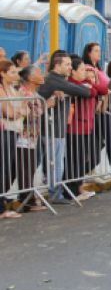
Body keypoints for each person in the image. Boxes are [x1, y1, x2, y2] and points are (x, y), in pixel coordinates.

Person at [37, 53, 92, 204]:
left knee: (55, 163)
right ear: (57, 65)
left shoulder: (58, 80)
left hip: (57, 128)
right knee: (55, 164)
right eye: (67, 65)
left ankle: (55, 194)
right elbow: (85, 91)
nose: (70, 67)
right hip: (50, 128)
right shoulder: (54, 80)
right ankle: (55, 195)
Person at [64, 56, 109, 201]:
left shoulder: (87, 82)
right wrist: (90, 87)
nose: (85, 72)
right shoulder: (71, 83)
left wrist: (91, 81)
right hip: (75, 128)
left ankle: (77, 186)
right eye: (82, 69)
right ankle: (72, 190)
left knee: (89, 158)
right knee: (74, 160)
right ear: (73, 72)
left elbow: (102, 89)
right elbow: (90, 93)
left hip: (87, 127)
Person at [16, 65, 51, 211]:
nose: (41, 74)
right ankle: (27, 201)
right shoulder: (23, 92)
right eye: (38, 72)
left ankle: (28, 198)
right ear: (30, 78)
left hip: (32, 136)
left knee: (29, 168)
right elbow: (25, 113)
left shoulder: (33, 92)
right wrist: (46, 106)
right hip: (22, 137)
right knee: (25, 168)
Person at [0, 60, 25, 218]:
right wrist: (19, 111)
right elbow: (9, 112)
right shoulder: (2, 90)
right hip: (6, 130)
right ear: (2, 74)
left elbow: (24, 108)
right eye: (12, 72)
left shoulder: (12, 89)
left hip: (14, 130)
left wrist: (20, 111)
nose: (16, 75)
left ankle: (2, 200)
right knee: (3, 168)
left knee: (10, 168)